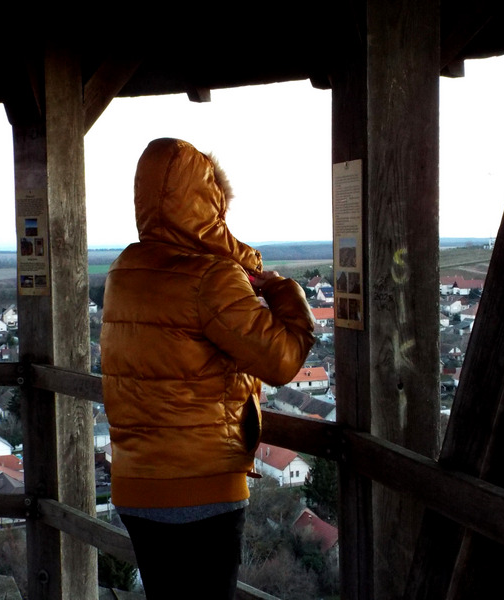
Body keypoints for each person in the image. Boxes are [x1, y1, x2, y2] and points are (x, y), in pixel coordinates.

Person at [100, 137, 315, 599]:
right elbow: (283, 360)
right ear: (205, 202)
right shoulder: (212, 276)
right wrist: (284, 292)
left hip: (135, 486)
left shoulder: (123, 270)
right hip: (202, 488)